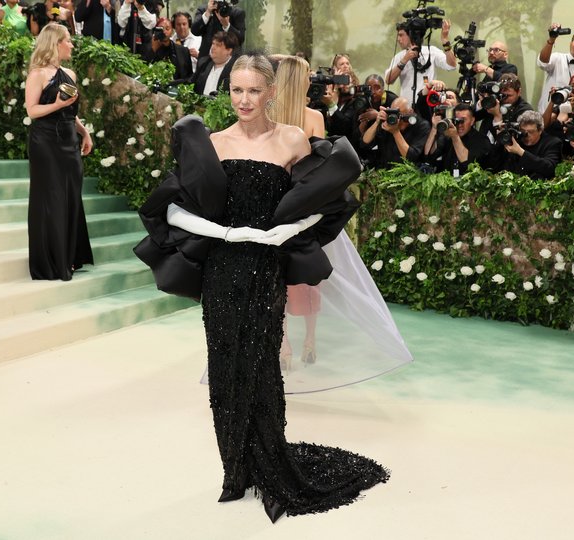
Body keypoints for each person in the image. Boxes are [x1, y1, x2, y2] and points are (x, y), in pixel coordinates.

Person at [134, 54, 405, 522]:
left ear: (271, 93)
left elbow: (326, 200)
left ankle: (268, 457)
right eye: (236, 90)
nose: (243, 100)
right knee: (224, 362)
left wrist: (279, 234)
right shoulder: (214, 142)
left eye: (252, 91)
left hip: (265, 269)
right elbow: (171, 208)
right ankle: (233, 471)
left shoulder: (293, 139)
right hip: (222, 266)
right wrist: (228, 234)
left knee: (261, 363)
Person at [24, 23, 94, 281]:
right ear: (55, 43)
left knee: (71, 196)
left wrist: (84, 132)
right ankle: (52, 261)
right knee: (51, 199)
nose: (72, 45)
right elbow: (32, 111)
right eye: (68, 40)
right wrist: (55, 104)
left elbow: (69, 111)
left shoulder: (70, 74)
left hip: (68, 140)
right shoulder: (37, 74)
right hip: (45, 142)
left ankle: (70, 256)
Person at [271, 56, 325, 369]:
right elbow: (321, 165)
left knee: (279, 276)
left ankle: (285, 344)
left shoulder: (268, 117)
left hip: (275, 206)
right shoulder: (315, 117)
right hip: (306, 205)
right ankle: (310, 340)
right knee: (308, 276)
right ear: (301, 81)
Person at [385, 19, 456, 104]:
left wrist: (445, 40)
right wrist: (404, 60)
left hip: (427, 107)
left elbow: (452, 65)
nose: (398, 39)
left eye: (401, 35)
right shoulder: (399, 57)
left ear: (411, 35)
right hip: (406, 109)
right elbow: (388, 80)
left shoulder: (431, 52)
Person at [361, 97, 430, 170]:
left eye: (399, 114)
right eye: (393, 113)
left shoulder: (422, 126)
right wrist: (377, 122)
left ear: (410, 112)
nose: (397, 118)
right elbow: (365, 142)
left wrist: (395, 132)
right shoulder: (388, 121)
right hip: (382, 171)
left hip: (407, 174)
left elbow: (410, 158)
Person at [425, 103, 491, 176]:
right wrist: (434, 128)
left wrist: (455, 137)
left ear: (472, 121)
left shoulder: (481, 140)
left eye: (463, 120)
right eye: (457, 120)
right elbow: (429, 156)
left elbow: (468, 165)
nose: (460, 125)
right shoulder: (448, 137)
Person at [496, 110, 562, 180]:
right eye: (523, 131)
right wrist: (501, 139)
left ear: (540, 130)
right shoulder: (516, 140)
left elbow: (550, 168)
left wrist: (520, 152)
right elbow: (496, 165)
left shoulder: (552, 143)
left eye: (531, 132)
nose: (526, 135)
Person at [141, 17, 193, 85]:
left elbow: (189, 76)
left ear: (172, 31)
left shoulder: (183, 50)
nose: (164, 32)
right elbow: (142, 68)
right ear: (156, 31)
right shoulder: (148, 47)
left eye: (167, 29)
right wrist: (153, 50)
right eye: (161, 29)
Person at [192, 31, 238, 96]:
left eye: (218, 45)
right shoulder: (204, 62)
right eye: (213, 43)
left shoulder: (236, 69)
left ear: (229, 50)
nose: (213, 47)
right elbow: (191, 83)